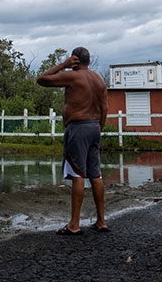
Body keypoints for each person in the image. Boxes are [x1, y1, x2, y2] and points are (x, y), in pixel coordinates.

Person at [37, 46, 109, 235]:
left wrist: (63, 65)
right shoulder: (98, 79)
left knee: (78, 174)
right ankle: (101, 221)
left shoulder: (73, 76)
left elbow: (42, 79)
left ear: (75, 60)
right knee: (95, 174)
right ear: (89, 60)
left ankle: (74, 225)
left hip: (78, 128)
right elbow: (105, 108)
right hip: (94, 127)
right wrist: (98, 128)